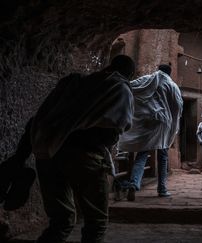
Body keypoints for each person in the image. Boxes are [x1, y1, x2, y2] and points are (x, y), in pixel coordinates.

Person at [29, 55, 135, 243]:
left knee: (61, 221)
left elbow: (39, 120)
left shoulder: (76, 83)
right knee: (96, 222)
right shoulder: (119, 88)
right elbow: (111, 133)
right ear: (129, 74)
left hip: (49, 152)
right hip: (86, 157)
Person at [118, 64, 183, 200]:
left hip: (149, 121)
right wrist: (172, 124)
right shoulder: (172, 86)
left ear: (158, 70)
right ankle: (162, 189)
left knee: (142, 154)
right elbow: (178, 106)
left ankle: (134, 184)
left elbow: (130, 86)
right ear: (169, 73)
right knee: (163, 156)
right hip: (164, 124)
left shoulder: (149, 79)